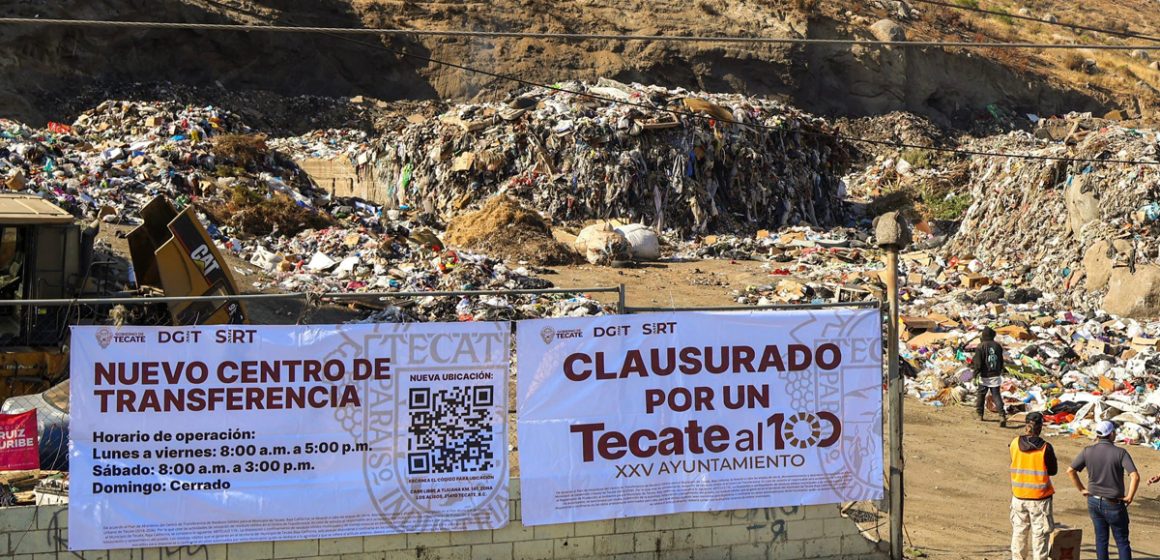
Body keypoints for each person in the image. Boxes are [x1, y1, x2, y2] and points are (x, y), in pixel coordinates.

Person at [1067, 421, 1140, 560]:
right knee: (1122, 541)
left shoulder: (1087, 451)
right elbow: (1135, 476)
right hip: (1114, 503)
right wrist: (1129, 496)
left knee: (1101, 539)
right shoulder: (1121, 453)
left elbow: (1070, 470)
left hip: (1093, 501)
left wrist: (1082, 489)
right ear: (1111, 434)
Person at [1009, 411, 1057, 560]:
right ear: (1040, 427)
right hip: (1039, 499)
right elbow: (1053, 471)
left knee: (1019, 532)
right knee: (1040, 535)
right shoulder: (1045, 448)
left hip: (1018, 497)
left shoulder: (1015, 443)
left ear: (1026, 425)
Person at [973, 326, 1007, 427]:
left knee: (981, 395)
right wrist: (1000, 370)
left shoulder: (980, 346)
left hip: (985, 375)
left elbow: (978, 363)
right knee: (996, 396)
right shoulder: (998, 346)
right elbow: (1001, 361)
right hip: (995, 375)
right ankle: (1002, 415)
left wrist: (975, 373)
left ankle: (980, 414)